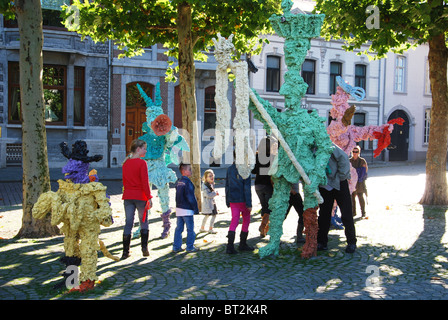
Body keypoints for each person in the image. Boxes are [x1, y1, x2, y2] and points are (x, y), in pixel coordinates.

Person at [317, 143, 357, 253]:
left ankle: (351, 242)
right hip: (324, 185)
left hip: (339, 183)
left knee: (346, 214)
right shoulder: (311, 150)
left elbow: (343, 158)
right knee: (324, 215)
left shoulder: (329, 145)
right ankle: (322, 242)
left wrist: (341, 177)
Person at [121, 139, 153, 260]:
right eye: (144, 148)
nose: (145, 150)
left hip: (128, 196)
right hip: (140, 196)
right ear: (138, 149)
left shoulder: (126, 163)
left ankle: (125, 252)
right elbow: (145, 183)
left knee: (128, 223)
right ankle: (144, 249)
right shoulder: (142, 163)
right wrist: (149, 197)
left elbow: (124, 181)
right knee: (143, 221)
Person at [225, 157, 253, 254]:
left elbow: (227, 185)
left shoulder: (230, 169)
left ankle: (230, 246)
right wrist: (249, 203)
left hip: (233, 199)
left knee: (234, 220)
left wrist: (227, 200)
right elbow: (247, 188)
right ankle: (242, 244)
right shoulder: (245, 169)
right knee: (246, 220)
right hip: (243, 200)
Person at [173, 163, 199, 253]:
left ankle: (176, 247)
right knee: (190, 229)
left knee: (179, 228)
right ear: (184, 171)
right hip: (187, 209)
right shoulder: (188, 182)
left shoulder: (179, 182)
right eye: (189, 169)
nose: (191, 171)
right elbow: (191, 197)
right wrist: (195, 208)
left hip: (179, 208)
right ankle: (190, 247)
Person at [251, 137, 274, 237]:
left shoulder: (257, 156)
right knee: (269, 208)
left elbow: (253, 171)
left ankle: (263, 231)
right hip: (268, 184)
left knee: (264, 207)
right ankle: (263, 225)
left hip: (258, 184)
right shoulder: (272, 157)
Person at [350, 145, 368, 218]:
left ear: (359, 152)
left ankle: (363, 212)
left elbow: (365, 170)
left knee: (360, 197)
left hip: (360, 182)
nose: (355, 153)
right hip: (352, 182)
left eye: (356, 151)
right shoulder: (349, 160)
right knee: (352, 198)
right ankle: (353, 212)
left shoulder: (362, 160)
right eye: (353, 151)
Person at [200, 169, 219, 234]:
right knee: (211, 215)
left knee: (210, 215)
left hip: (211, 203)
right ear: (206, 178)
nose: (212, 177)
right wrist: (215, 194)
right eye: (210, 176)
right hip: (208, 204)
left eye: (212, 175)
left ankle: (203, 228)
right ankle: (210, 228)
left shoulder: (210, 184)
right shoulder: (205, 186)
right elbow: (207, 195)